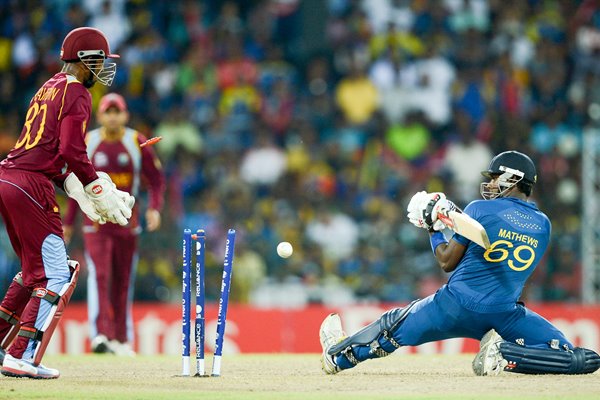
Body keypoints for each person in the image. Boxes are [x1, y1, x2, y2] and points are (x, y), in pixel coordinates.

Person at [319, 151, 600, 376]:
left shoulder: (480, 208)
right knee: (566, 353)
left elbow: (446, 261)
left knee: (392, 327)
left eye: (495, 178)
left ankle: (338, 356)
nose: (489, 184)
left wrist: (433, 228)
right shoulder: (543, 224)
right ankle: (503, 355)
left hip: (453, 305)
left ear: (513, 179)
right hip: (504, 314)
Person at [0, 27, 134, 379]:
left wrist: (77, 188)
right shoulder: (77, 93)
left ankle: (3, 346)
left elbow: (51, 152)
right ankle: (21, 355)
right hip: (31, 184)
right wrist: (96, 186)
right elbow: (71, 150)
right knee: (59, 275)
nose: (104, 68)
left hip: (9, 178)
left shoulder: (49, 86)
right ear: (86, 61)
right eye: (101, 60)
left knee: (34, 276)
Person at [64, 92, 165, 355]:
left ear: (125, 115)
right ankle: (101, 335)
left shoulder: (135, 141)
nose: (112, 117)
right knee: (100, 275)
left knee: (122, 280)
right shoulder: (89, 141)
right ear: (99, 116)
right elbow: (77, 184)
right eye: (107, 112)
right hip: (95, 223)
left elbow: (156, 179)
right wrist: (68, 222)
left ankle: (121, 339)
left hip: (126, 223)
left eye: (116, 111)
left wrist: (154, 208)